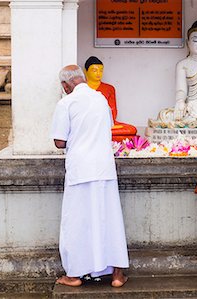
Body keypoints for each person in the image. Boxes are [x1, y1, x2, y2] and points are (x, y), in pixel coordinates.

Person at [50, 65, 129, 287]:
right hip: (104, 167)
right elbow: (109, 128)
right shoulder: (101, 99)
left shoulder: (66, 103)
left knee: (77, 222)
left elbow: (59, 141)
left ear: (66, 85)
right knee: (110, 220)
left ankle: (74, 275)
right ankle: (117, 275)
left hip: (80, 169)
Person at [150, 20, 197, 128]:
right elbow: (181, 90)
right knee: (164, 115)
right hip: (189, 108)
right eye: (195, 40)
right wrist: (180, 102)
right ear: (187, 43)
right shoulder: (182, 65)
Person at [84, 56, 137, 142]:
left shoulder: (109, 88)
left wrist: (105, 122)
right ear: (86, 71)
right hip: (87, 123)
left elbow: (113, 111)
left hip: (106, 123)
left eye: (101, 70)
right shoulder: (82, 88)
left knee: (131, 129)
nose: (98, 73)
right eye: (94, 70)